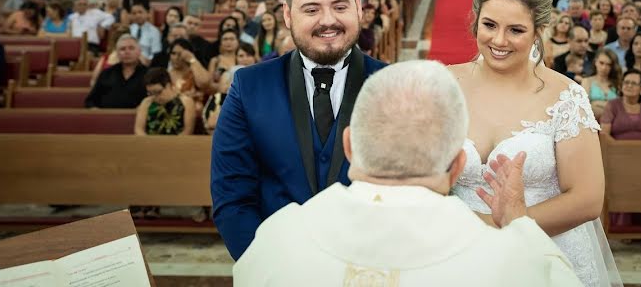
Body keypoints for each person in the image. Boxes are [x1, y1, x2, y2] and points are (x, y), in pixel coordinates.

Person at [234, 60, 581, 286]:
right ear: (458, 164)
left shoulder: (277, 239)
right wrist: (519, 226)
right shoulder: (511, 262)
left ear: (351, 146)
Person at [448, 0, 620, 287]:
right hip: (458, 251)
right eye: (489, 25)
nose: (499, 41)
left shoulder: (565, 96)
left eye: (516, 30)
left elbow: (587, 198)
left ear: (539, 31)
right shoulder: (443, 84)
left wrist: (507, 224)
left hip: (544, 252)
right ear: (476, 20)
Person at [211, 0, 387, 261]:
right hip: (276, 265)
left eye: (340, 6)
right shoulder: (249, 87)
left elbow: (407, 195)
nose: (328, 21)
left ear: (358, 8)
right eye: (311, 9)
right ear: (288, 14)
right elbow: (233, 197)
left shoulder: (392, 86)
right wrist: (271, 269)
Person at [84, 35, 148, 109]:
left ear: (139, 51)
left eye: (131, 48)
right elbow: (90, 101)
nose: (127, 52)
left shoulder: (149, 75)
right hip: (106, 118)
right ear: (117, 53)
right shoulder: (106, 74)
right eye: (122, 49)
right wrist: (95, 110)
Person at [134, 68, 196, 136]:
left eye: (158, 92)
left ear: (168, 85)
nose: (155, 97)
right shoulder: (147, 103)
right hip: (150, 143)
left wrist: (169, 145)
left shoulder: (186, 102)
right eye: (150, 93)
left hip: (178, 143)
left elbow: (187, 131)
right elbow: (138, 129)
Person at [600, 69, 641, 141]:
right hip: (618, 150)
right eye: (626, 82)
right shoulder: (612, 105)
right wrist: (618, 147)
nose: (629, 86)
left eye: (634, 83)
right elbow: (604, 134)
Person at [580, 49, 621, 117]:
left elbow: (619, 108)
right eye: (601, 63)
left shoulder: (617, 83)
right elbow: (584, 107)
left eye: (608, 65)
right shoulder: (587, 81)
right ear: (595, 62)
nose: (604, 67)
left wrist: (596, 103)